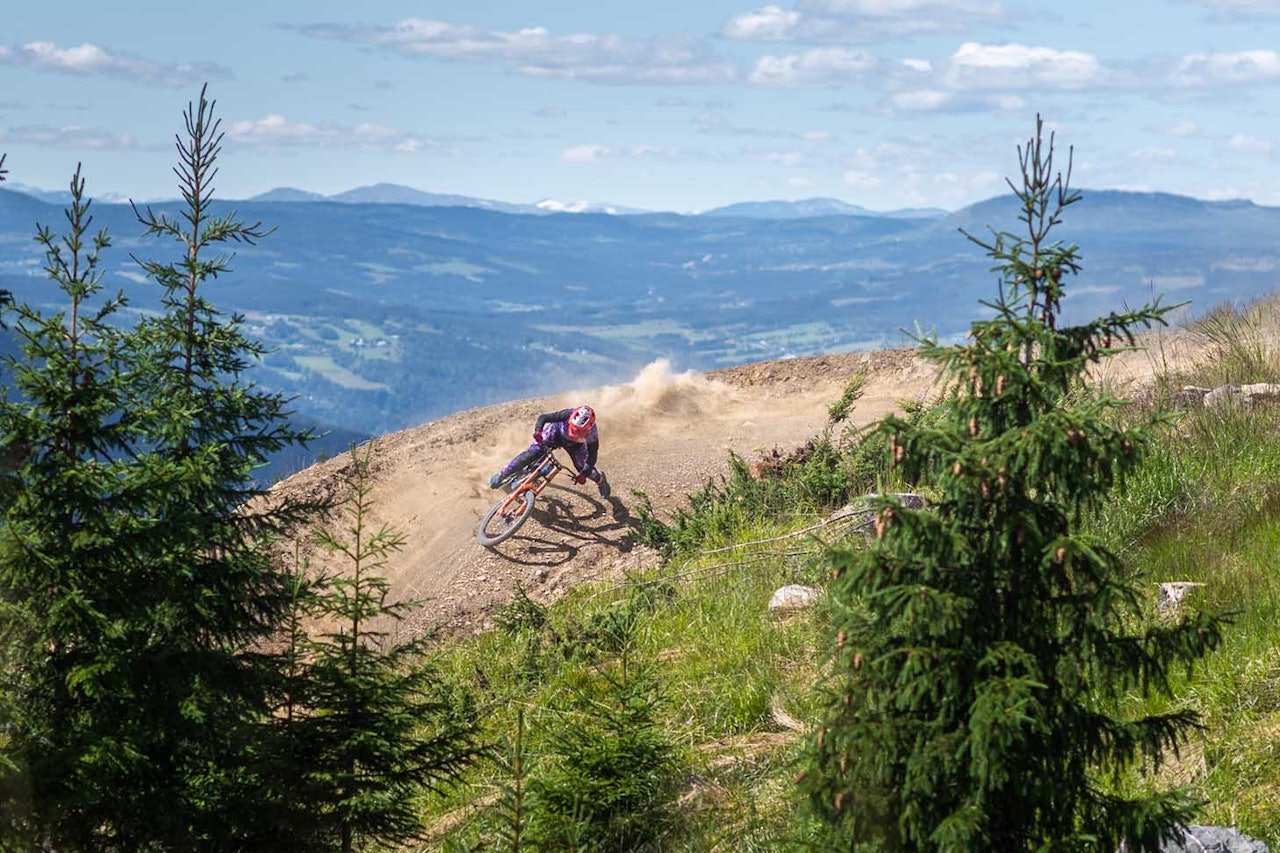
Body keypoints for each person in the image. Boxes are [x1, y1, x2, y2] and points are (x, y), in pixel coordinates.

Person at [489, 405, 611, 498]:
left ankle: (600, 480)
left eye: (579, 432)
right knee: (534, 452)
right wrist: (538, 431)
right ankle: (502, 474)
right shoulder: (567, 414)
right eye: (573, 428)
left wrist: (584, 473)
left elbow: (592, 456)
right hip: (555, 432)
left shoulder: (592, 434)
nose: (574, 433)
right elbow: (544, 417)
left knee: (581, 466)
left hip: (575, 446)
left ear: (588, 429)